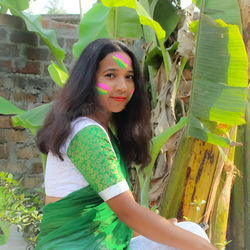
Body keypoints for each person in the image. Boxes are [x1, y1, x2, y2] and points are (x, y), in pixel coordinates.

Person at [35, 38, 216, 250]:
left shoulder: (98, 130)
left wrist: (165, 229)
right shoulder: (87, 133)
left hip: (99, 243)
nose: (122, 87)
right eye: (110, 75)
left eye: (129, 77)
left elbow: (112, 217)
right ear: (89, 80)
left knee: (189, 232)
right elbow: (126, 211)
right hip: (77, 246)